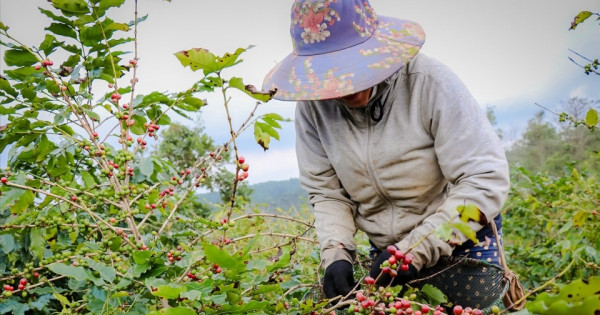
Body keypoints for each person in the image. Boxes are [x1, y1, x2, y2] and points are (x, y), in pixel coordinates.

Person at [262, 0, 510, 300]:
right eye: (333, 73)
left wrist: (417, 248)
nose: (346, 85)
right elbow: (327, 193)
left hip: (461, 239)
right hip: (387, 253)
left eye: (352, 67)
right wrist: (336, 253)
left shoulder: (429, 82)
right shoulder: (313, 110)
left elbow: (485, 179)